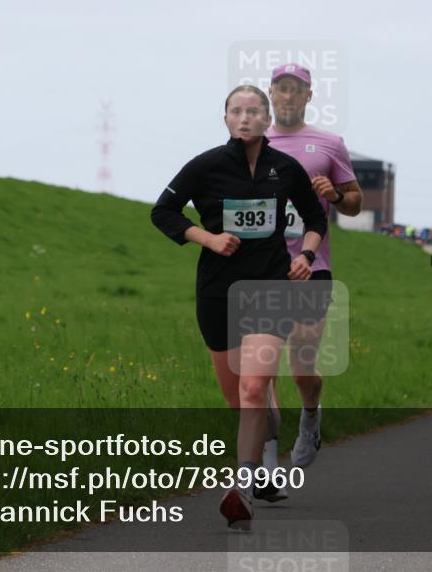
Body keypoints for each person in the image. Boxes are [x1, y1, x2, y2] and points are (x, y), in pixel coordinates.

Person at [151, 85, 327, 529]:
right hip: (217, 292)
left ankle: (242, 489)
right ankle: (267, 436)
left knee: (253, 389)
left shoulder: (285, 169)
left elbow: (316, 218)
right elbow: (163, 211)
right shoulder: (206, 166)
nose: (245, 118)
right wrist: (208, 239)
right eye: (236, 111)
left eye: (253, 111)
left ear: (267, 120)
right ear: (226, 118)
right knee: (241, 401)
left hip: (270, 287)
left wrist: (306, 256)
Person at [261, 62, 363, 490]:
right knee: (262, 372)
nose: (288, 95)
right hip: (262, 271)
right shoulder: (253, 142)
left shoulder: (329, 144)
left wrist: (335, 194)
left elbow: (355, 203)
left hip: (310, 268)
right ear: (271, 93)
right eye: (281, 88)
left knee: (302, 366)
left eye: (295, 89)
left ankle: (310, 417)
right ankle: (267, 467)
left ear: (308, 95)